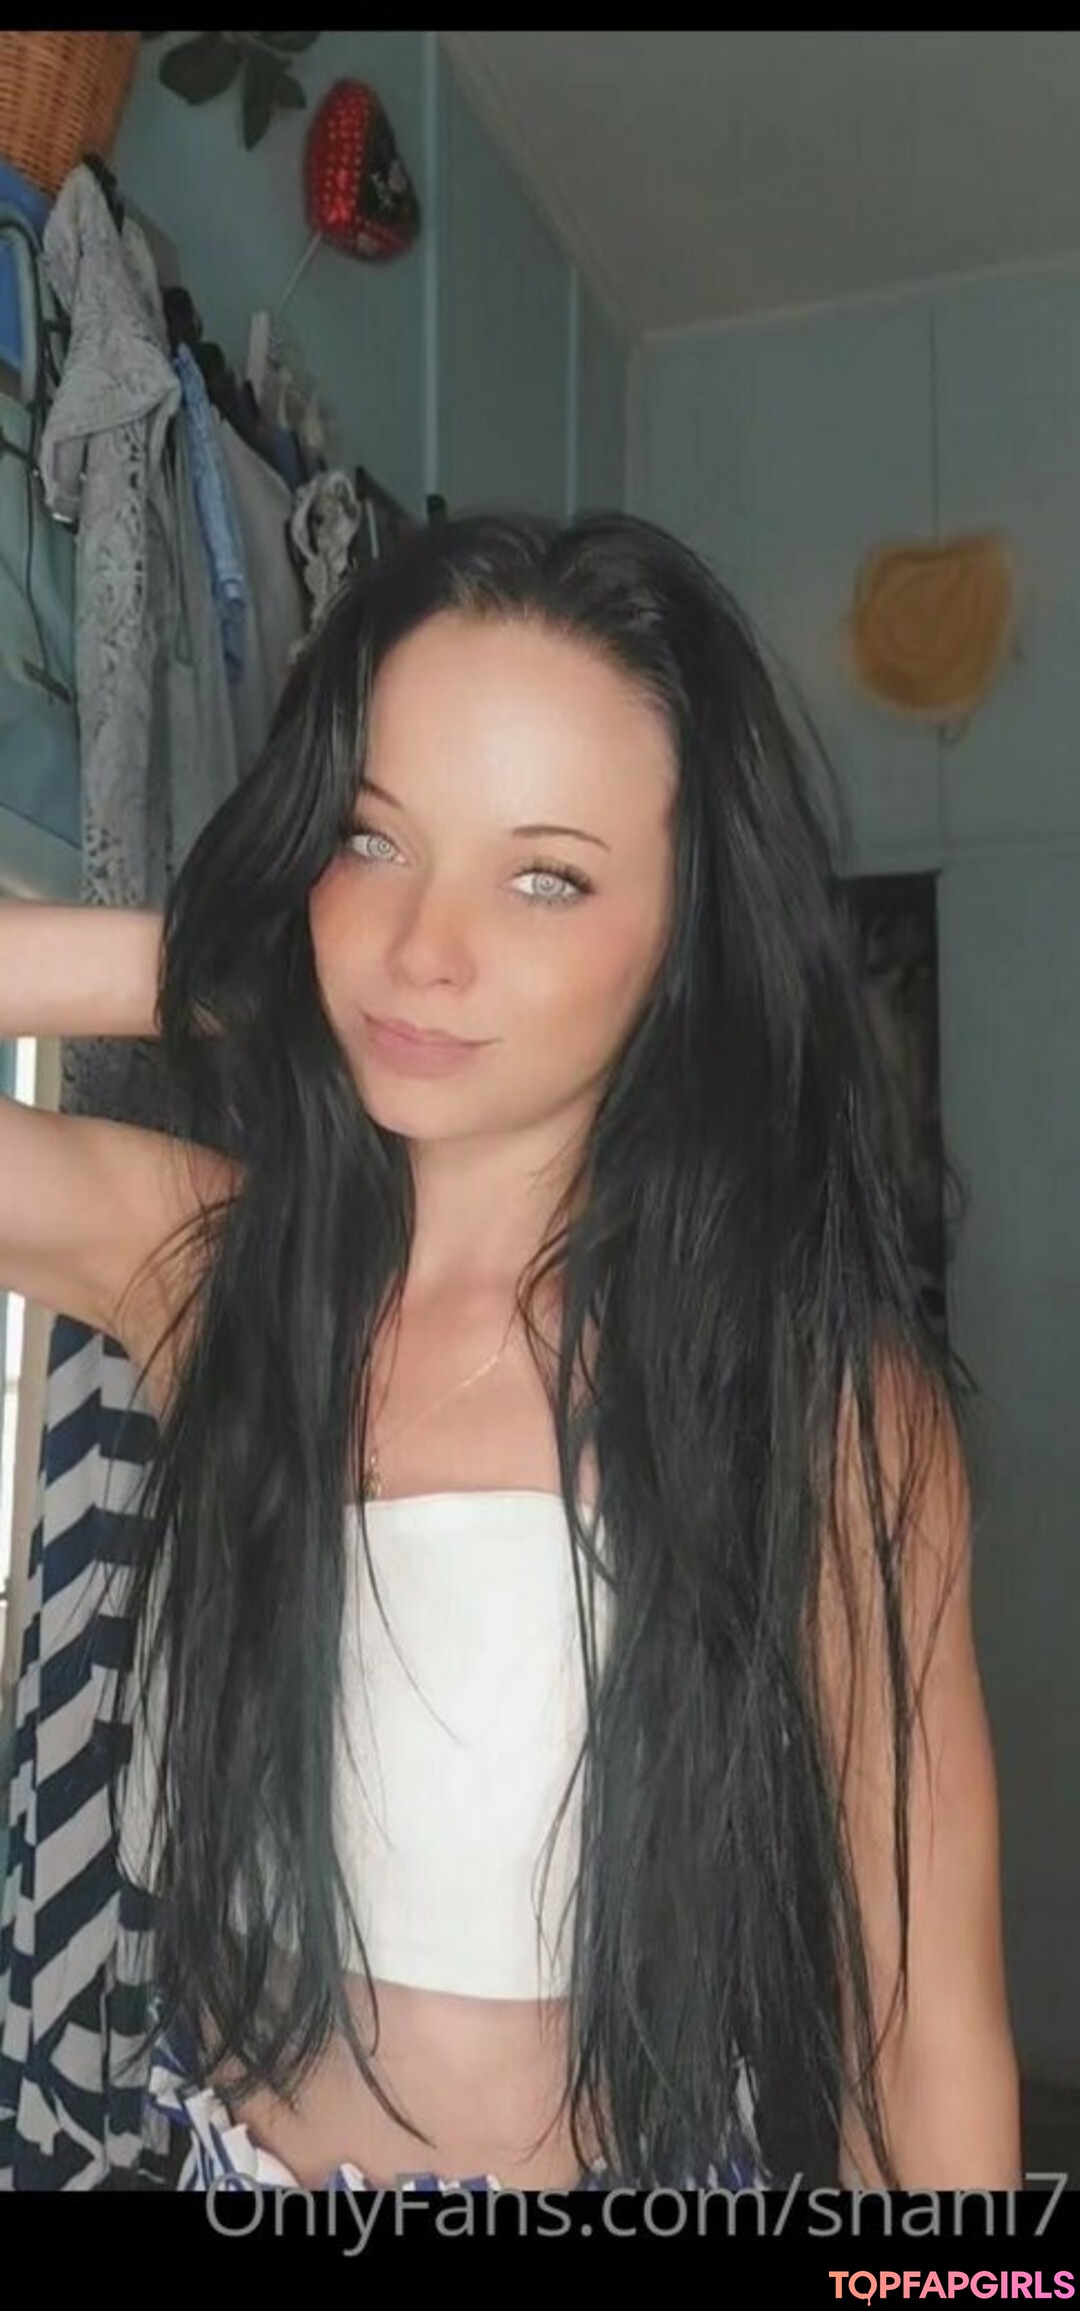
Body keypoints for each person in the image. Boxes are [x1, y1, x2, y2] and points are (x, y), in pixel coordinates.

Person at [0, 511, 1018, 2192]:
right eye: (373, 839)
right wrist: (215, 957)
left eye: (545, 876)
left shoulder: (811, 1399)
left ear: (687, 936)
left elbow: (925, 2038)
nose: (426, 948)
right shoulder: (212, 1269)